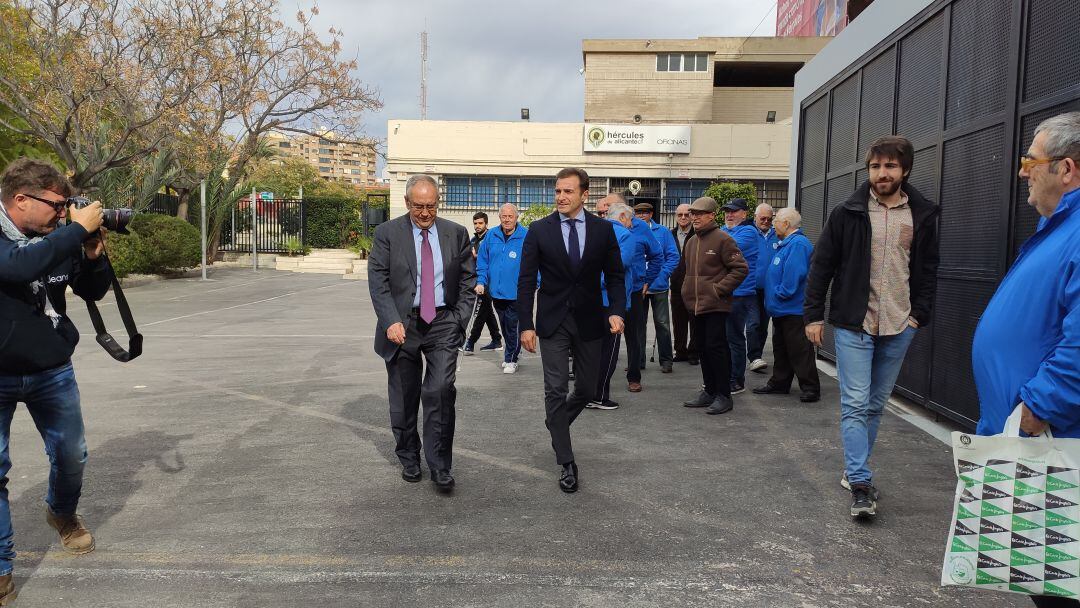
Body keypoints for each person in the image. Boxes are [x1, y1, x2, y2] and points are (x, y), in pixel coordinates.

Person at [972, 113, 1080, 608]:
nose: (1022, 173)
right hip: (1030, 433)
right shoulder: (1057, 227)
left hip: (1052, 438)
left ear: (1067, 169)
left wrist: (1038, 407)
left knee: (1059, 579)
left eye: (1030, 161)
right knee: (1042, 576)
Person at [803, 135, 940, 519]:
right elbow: (821, 267)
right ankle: (861, 482)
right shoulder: (847, 212)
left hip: (899, 322)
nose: (882, 173)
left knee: (876, 405)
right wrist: (813, 314)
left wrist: (918, 316)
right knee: (855, 403)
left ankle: (852, 470)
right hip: (854, 324)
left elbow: (928, 269)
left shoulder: (922, 215)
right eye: (876, 166)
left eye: (890, 166)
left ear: (905, 169)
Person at [0, 158, 112, 603]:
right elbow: (17, 269)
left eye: (68, 206)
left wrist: (91, 253)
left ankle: (62, 514)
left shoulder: (57, 236)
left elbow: (91, 291)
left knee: (72, 456)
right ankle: (2, 569)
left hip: (50, 370)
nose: (64, 213)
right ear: (21, 199)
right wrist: (76, 229)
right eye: (57, 204)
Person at [517, 168, 625, 493]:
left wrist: (617, 311)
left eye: (567, 191)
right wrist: (526, 324)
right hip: (552, 321)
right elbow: (525, 281)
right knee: (555, 388)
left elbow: (616, 276)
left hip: (591, 320)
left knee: (588, 390)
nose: (561, 197)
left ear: (584, 194)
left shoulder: (603, 230)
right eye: (557, 191)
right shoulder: (539, 230)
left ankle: (556, 422)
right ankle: (566, 461)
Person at [368, 174, 475, 491]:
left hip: (443, 321)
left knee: (440, 391)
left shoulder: (456, 234)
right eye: (419, 207)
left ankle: (441, 465)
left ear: (438, 203)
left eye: (431, 206)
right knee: (404, 397)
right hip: (403, 324)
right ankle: (409, 457)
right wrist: (390, 320)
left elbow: (468, 282)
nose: (425, 213)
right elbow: (379, 280)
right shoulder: (388, 233)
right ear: (406, 203)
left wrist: (458, 321)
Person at [677, 197, 748, 415]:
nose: (694, 218)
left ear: (711, 215)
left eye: (699, 214)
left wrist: (718, 290)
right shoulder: (691, 242)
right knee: (703, 349)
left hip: (716, 305)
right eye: (693, 214)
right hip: (695, 306)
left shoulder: (723, 239)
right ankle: (709, 391)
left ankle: (724, 395)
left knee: (717, 349)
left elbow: (740, 269)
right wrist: (686, 292)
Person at [752, 208, 819, 402]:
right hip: (781, 308)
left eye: (777, 220)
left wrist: (781, 293)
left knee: (799, 350)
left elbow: (794, 274)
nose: (773, 224)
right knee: (781, 348)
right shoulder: (787, 243)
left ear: (787, 224)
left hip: (792, 308)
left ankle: (810, 387)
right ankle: (779, 383)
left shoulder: (798, 244)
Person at [590, 199, 637, 410]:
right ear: (622, 217)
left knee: (592, 350)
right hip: (612, 303)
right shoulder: (626, 236)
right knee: (609, 352)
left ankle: (589, 393)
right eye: (631, 220)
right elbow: (617, 268)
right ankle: (598, 396)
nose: (632, 224)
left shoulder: (594, 232)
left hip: (591, 300)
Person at [476, 204, 527, 374]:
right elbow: (482, 260)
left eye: (510, 216)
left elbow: (536, 262)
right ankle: (513, 352)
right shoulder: (491, 235)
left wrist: (535, 283)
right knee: (505, 325)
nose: (506, 219)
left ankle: (510, 358)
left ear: (516, 217)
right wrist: (481, 281)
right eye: (503, 216)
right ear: (499, 218)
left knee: (512, 326)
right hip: (496, 293)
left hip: (516, 293)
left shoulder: (525, 236)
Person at [634, 201, 680, 374]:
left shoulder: (663, 232)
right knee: (639, 325)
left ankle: (666, 360)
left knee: (662, 324)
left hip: (658, 286)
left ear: (651, 214)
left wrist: (662, 275)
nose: (641, 216)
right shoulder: (631, 230)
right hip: (638, 287)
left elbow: (673, 257)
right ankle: (638, 361)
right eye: (638, 213)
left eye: (644, 213)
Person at [720, 198, 760, 395]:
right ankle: (725, 377)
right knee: (723, 338)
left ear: (744, 213)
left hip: (740, 293)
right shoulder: (723, 231)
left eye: (734, 211)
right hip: (725, 292)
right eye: (727, 211)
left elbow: (723, 249)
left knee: (734, 338)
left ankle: (737, 380)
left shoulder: (749, 232)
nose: (729, 214)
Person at [622, 196, 661, 393]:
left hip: (635, 289)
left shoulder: (641, 228)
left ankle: (634, 376)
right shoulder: (604, 227)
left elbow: (657, 255)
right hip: (608, 290)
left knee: (634, 335)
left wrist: (648, 280)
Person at [462, 211, 502, 355]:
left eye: (480, 223)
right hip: (477, 281)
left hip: (488, 282)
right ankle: (497, 340)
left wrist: (478, 257)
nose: (478, 226)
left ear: (486, 224)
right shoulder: (473, 240)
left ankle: (470, 343)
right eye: (475, 223)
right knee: (487, 311)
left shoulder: (491, 238)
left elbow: (494, 258)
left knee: (479, 311)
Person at [747, 203, 776, 374]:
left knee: (763, 325)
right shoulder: (749, 233)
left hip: (770, 289)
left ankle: (756, 355)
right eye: (762, 218)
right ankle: (754, 357)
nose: (765, 221)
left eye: (769, 219)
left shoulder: (777, 234)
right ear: (755, 217)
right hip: (751, 287)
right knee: (753, 323)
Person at [669, 203, 698, 365]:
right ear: (676, 216)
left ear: (692, 216)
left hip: (693, 284)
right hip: (675, 284)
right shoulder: (670, 234)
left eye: (687, 214)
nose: (683, 217)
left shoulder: (698, 234)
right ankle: (680, 351)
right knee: (678, 320)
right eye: (680, 215)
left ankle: (694, 353)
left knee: (694, 320)